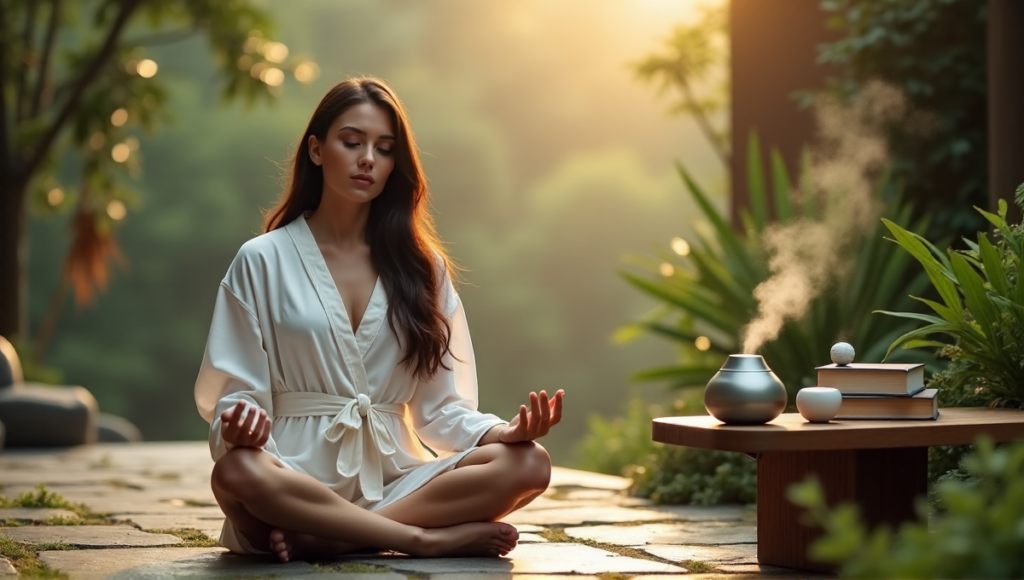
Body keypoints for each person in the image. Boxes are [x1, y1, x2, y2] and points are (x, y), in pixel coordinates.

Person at [194, 77, 564, 563]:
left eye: (384, 149)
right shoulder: (261, 259)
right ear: (317, 150)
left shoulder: (422, 268)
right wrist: (240, 428)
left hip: (396, 482)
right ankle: (419, 538)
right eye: (352, 142)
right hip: (293, 480)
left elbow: (438, 410)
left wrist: (503, 433)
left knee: (529, 463)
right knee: (236, 473)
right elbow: (237, 394)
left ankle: (337, 537)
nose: (368, 158)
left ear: (395, 165)